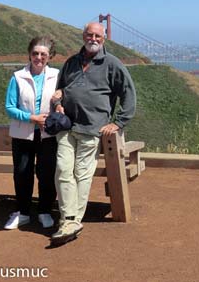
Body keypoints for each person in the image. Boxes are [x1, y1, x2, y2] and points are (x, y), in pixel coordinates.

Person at [51, 22, 136, 244]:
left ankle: (70, 220)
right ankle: (71, 220)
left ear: (104, 39)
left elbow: (128, 94)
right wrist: (58, 102)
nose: (93, 39)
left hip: (91, 130)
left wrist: (118, 123)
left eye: (98, 35)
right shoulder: (71, 63)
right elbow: (60, 90)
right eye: (90, 35)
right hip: (67, 127)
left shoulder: (112, 64)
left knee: (81, 174)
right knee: (62, 170)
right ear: (83, 36)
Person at [4, 37, 59, 230]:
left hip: (48, 135)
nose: (39, 57)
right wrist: (32, 118)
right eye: (35, 53)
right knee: (22, 174)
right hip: (22, 134)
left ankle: (45, 211)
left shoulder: (57, 76)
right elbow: (10, 107)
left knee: (47, 174)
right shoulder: (17, 77)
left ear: (49, 56)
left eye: (43, 54)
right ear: (29, 54)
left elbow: (64, 101)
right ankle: (23, 213)